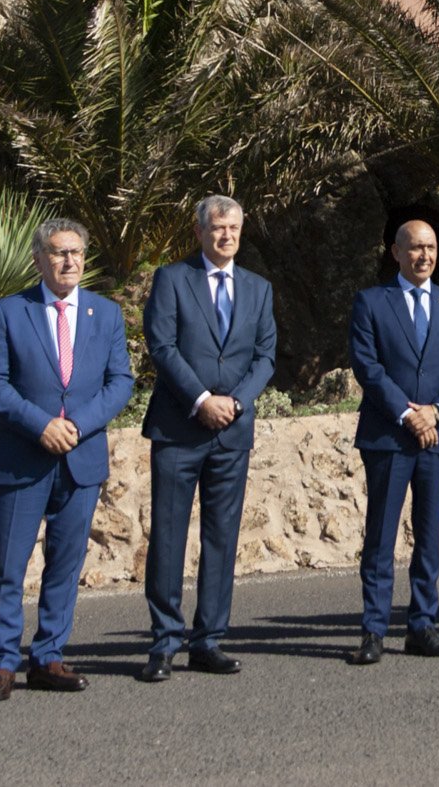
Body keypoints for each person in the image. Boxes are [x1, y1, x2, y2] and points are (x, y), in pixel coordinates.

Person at [0, 217, 135, 701]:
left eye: (77, 253)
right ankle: (2, 661)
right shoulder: (8, 312)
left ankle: (49, 656)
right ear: (38, 259)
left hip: (80, 460)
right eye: (60, 253)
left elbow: (120, 382)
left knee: (64, 564)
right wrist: (40, 424)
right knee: (7, 567)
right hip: (22, 457)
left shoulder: (105, 314)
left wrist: (78, 426)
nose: (70, 262)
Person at [140, 194, 278, 680]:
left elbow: (265, 357)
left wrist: (235, 403)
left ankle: (209, 639)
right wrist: (201, 400)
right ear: (199, 232)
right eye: (218, 227)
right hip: (180, 427)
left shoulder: (259, 289)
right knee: (170, 537)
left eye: (234, 228)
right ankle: (163, 642)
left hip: (232, 432)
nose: (226, 236)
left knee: (222, 538)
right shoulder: (173, 279)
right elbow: (162, 345)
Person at [347, 220, 439, 664]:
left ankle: (423, 625)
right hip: (388, 436)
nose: (425, 255)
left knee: (428, 536)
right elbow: (367, 366)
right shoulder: (371, 302)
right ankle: (373, 630)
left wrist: (436, 412)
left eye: (431, 247)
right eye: (416, 248)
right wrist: (407, 413)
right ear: (396, 253)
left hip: (438, 436)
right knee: (381, 536)